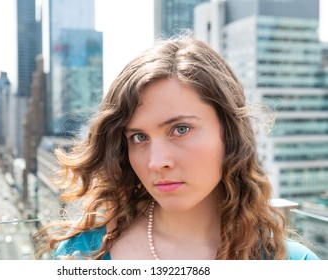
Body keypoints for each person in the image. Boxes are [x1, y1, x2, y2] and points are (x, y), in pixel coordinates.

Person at [34, 34, 320, 260]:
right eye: (139, 137)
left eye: (180, 129)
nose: (156, 162)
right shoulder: (82, 254)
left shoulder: (292, 264)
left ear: (229, 132)